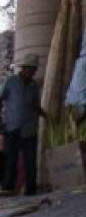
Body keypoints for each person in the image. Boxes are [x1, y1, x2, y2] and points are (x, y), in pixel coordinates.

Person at [0, 53, 47, 196]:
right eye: (31, 70)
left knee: (30, 161)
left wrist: (46, 116)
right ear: (24, 68)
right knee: (10, 160)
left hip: (29, 129)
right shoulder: (11, 82)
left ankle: (30, 190)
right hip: (12, 127)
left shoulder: (34, 86)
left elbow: (35, 105)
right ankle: (8, 189)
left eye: (34, 70)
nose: (33, 73)